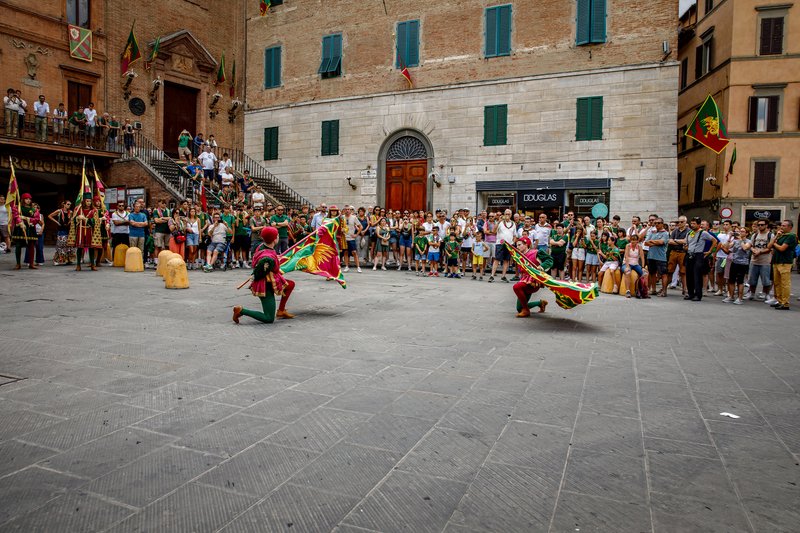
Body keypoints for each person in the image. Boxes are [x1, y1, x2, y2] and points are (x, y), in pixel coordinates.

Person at [232, 226, 296, 324]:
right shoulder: (268, 258)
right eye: (277, 235)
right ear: (275, 239)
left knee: (290, 284)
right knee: (268, 318)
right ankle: (241, 311)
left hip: (271, 280)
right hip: (265, 285)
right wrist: (273, 262)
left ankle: (281, 310)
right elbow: (261, 271)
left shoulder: (262, 246)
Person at [512, 237, 550, 317]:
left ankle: (526, 310)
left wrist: (541, 266)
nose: (517, 247)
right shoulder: (520, 256)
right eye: (517, 245)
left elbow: (549, 260)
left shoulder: (537, 252)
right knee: (519, 308)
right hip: (524, 280)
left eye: (519, 245)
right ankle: (540, 303)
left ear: (526, 245)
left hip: (533, 281)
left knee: (516, 287)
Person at [684, 217, 718, 302]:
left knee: (697, 275)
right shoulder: (689, 233)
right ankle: (691, 293)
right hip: (689, 254)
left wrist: (709, 251)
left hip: (698, 255)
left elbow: (714, 241)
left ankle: (698, 295)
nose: (692, 225)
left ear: (699, 224)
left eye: (694, 224)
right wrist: (686, 247)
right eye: (691, 223)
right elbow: (687, 243)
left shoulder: (703, 233)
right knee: (689, 275)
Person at [68, 194, 103, 271]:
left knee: (91, 248)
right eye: (87, 201)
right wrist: (77, 218)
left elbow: (95, 221)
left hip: (89, 231)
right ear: (84, 201)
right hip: (80, 230)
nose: (89, 203)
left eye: (90, 201)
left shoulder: (94, 210)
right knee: (80, 248)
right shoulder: (78, 209)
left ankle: (92, 265)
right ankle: (78, 265)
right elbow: (73, 220)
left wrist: (84, 219)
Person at [769, 219, 797, 311]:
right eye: (782, 225)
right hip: (776, 261)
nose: (782, 227)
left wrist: (775, 243)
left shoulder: (791, 236)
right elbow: (769, 246)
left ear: (790, 227)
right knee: (777, 283)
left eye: (784, 226)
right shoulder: (780, 236)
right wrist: (776, 236)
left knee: (785, 283)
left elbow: (782, 248)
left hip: (785, 262)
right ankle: (779, 300)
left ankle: (785, 303)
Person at [10, 193, 40, 269]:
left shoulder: (34, 209)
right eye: (26, 199)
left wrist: (27, 219)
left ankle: (31, 264)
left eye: (29, 199)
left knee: (31, 246)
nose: (28, 200)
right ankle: (18, 264)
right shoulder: (17, 207)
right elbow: (15, 216)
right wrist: (20, 221)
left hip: (30, 228)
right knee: (18, 245)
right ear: (23, 199)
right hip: (20, 228)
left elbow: (37, 219)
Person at [745, 220, 773, 300]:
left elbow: (769, 248)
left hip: (765, 261)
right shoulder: (755, 235)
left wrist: (760, 252)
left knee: (766, 280)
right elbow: (751, 245)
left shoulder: (770, 235)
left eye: (762, 225)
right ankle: (752, 293)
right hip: (754, 260)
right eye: (759, 225)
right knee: (752, 279)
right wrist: (753, 250)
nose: (760, 226)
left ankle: (766, 294)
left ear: (766, 225)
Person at [724, 226, 751, 305]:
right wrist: (729, 238)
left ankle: (740, 298)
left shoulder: (749, 241)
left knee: (740, 281)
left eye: (742, 232)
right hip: (734, 262)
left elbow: (745, 248)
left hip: (743, 263)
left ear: (747, 233)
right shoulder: (735, 241)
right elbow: (726, 247)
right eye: (740, 231)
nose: (740, 233)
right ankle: (731, 296)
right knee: (731, 280)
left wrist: (740, 240)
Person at [644, 218, 669, 297]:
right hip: (651, 256)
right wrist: (656, 242)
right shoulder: (652, 232)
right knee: (652, 273)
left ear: (662, 223)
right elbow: (646, 243)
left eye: (658, 223)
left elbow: (662, 242)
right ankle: (653, 289)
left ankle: (664, 291)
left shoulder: (665, 233)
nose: (657, 225)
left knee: (663, 274)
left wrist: (652, 242)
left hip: (661, 257)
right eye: (655, 223)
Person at [489, 209, 515, 283]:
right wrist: (499, 222)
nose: (507, 215)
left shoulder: (513, 223)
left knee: (506, 260)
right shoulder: (500, 222)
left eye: (509, 214)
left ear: (511, 215)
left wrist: (512, 242)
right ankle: (492, 276)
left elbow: (515, 235)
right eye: (506, 214)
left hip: (509, 244)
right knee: (497, 259)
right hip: (499, 244)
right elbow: (493, 231)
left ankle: (503, 276)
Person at [667, 216, 689, 295]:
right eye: (678, 222)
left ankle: (685, 289)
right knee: (670, 270)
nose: (679, 223)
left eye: (681, 222)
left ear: (685, 222)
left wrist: (675, 240)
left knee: (683, 272)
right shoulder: (675, 231)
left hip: (683, 252)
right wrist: (680, 241)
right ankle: (664, 289)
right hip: (673, 252)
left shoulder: (688, 231)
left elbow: (686, 241)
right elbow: (669, 241)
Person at [621, 233, 644, 299]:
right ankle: (627, 291)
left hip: (635, 264)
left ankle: (642, 290)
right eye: (632, 240)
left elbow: (642, 257)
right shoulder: (628, 246)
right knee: (628, 272)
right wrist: (627, 266)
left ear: (637, 241)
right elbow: (626, 256)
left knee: (645, 273)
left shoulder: (639, 247)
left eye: (635, 240)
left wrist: (642, 267)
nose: (633, 241)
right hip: (627, 263)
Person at [342, 205, 362, 273]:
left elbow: (360, 227)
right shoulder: (342, 217)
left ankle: (358, 267)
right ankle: (347, 266)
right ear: (344, 210)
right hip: (344, 237)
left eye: (348, 209)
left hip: (351, 238)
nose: (347, 210)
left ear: (350, 210)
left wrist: (356, 234)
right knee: (346, 252)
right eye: (346, 209)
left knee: (354, 252)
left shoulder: (354, 217)